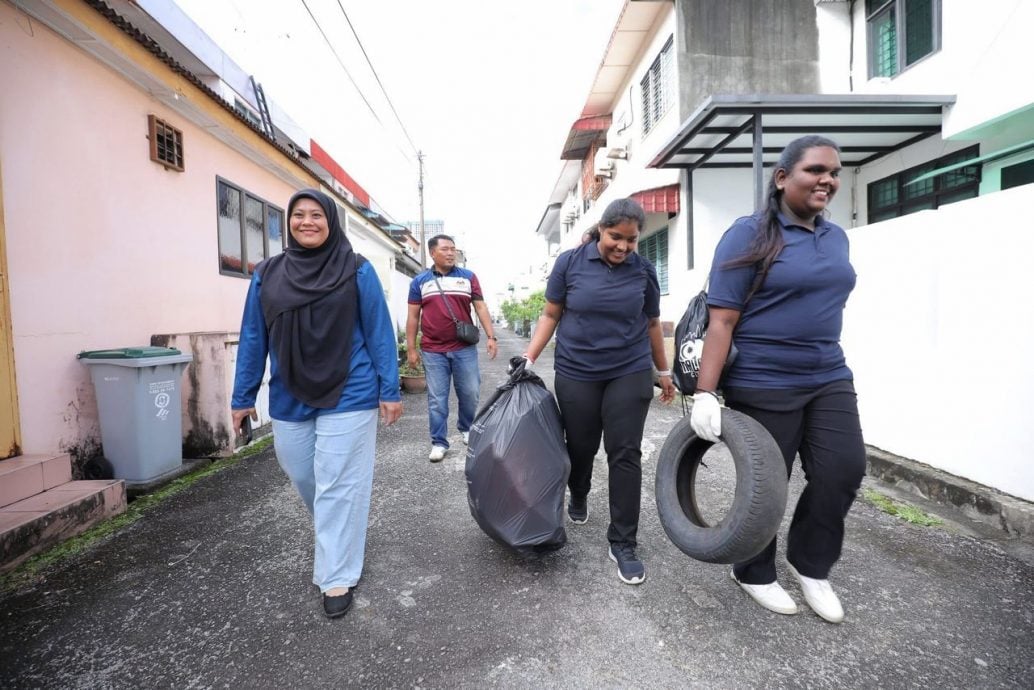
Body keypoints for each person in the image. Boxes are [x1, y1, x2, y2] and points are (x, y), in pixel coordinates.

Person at [691, 135, 865, 624]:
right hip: (764, 378)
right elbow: (721, 320)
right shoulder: (747, 234)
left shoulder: (835, 237)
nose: (827, 180)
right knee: (770, 483)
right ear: (783, 177)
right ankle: (751, 570)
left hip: (828, 372)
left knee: (843, 471)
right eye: (815, 170)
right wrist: (706, 392)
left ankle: (810, 564)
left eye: (834, 171)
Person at [231, 189, 402, 620]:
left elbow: (380, 332)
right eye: (298, 215)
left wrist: (390, 389)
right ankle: (338, 533)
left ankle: (336, 575)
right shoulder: (266, 274)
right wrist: (243, 396)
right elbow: (254, 335)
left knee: (338, 483)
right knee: (303, 473)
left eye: (316, 215)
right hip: (289, 389)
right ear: (288, 222)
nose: (307, 222)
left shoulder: (357, 270)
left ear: (331, 221)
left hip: (351, 387)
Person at [523, 198, 676, 585]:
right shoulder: (570, 264)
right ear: (600, 231)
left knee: (625, 453)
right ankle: (579, 489)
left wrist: (663, 370)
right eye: (615, 237)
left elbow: (653, 323)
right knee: (580, 446)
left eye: (631, 240)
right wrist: (528, 359)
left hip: (629, 370)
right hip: (577, 371)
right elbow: (551, 314)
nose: (623, 247)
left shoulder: (643, 272)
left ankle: (623, 541)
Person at [406, 234, 498, 462]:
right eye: (445, 249)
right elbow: (412, 317)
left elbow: (481, 307)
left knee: (471, 391)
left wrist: (491, 336)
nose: (450, 253)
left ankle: (466, 428)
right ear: (432, 253)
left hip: (463, 348)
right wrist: (411, 349)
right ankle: (438, 442)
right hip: (432, 350)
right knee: (437, 399)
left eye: (453, 249)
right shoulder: (420, 282)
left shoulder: (468, 277)